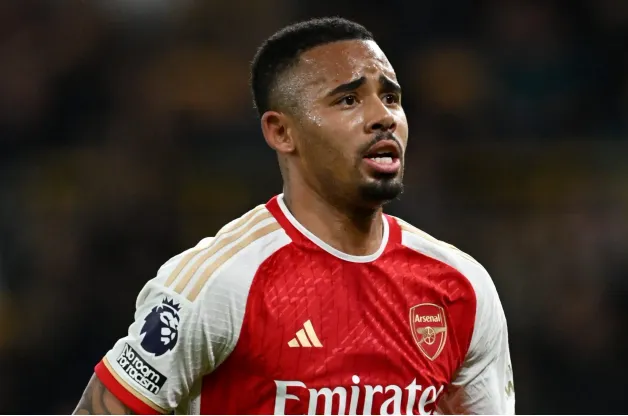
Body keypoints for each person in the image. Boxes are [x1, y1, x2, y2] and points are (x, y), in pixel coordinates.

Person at [73, 17, 515, 415]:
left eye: (390, 97)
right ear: (281, 131)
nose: (382, 117)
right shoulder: (220, 284)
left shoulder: (460, 287)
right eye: (348, 100)